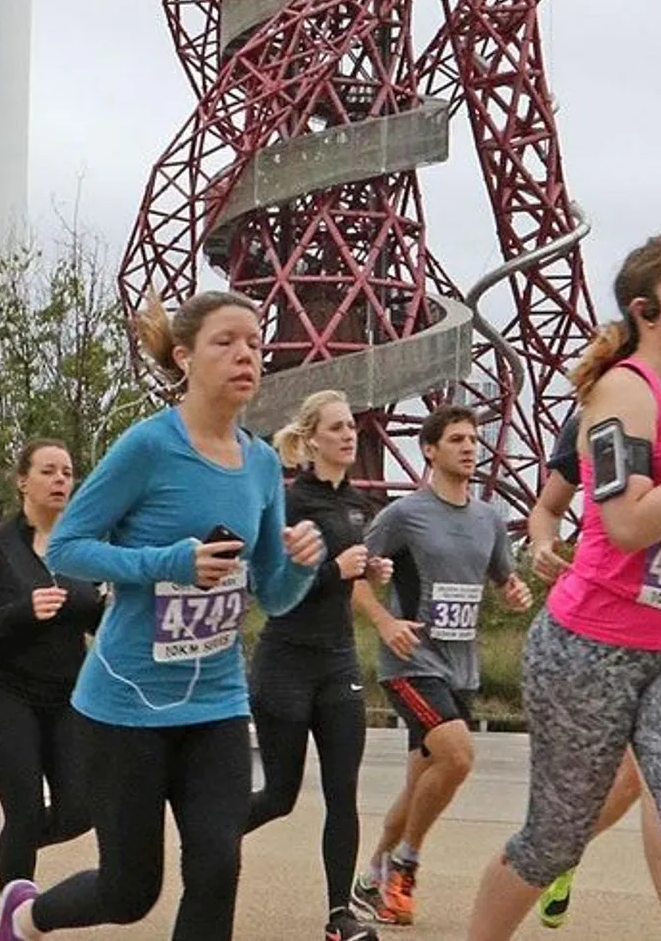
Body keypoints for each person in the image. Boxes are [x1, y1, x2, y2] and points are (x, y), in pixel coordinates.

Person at [0, 290, 327, 941]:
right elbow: (68, 547)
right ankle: (25, 916)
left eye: (254, 343)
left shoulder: (260, 463)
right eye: (225, 341)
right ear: (185, 356)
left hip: (218, 704)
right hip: (127, 706)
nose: (244, 355)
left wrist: (304, 563)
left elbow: (276, 596)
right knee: (130, 890)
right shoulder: (147, 447)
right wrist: (169, 563)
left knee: (218, 864)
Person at [463, 234, 661, 941]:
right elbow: (627, 522)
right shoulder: (619, 391)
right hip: (589, 647)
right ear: (645, 310)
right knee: (554, 841)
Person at [349, 405, 532, 927]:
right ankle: (406, 864)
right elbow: (356, 574)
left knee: (421, 782)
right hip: (410, 662)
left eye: (474, 439)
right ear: (429, 450)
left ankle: (371, 877)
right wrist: (385, 623)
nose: (470, 447)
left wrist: (514, 591)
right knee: (458, 756)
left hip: (461, 667)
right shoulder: (404, 514)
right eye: (457, 439)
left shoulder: (489, 519)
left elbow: (503, 579)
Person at [524, 412, 661, 931]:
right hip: (599, 614)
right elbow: (547, 508)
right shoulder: (594, 413)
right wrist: (543, 545)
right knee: (602, 782)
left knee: (654, 779)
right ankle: (556, 854)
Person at [249, 390, 391, 941]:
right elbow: (275, 592)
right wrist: (335, 570)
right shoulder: (291, 504)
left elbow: (347, 572)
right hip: (286, 659)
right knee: (280, 795)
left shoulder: (357, 505)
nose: (348, 435)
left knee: (343, 792)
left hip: (337, 662)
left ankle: (340, 916)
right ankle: (211, 837)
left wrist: (369, 569)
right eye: (335, 428)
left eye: (351, 426)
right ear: (310, 440)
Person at [0, 439, 102, 888]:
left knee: (81, 809)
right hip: (3, 692)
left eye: (67, 472)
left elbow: (97, 618)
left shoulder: (82, 547)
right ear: (23, 481)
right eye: (48, 471)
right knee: (23, 812)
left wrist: (110, 608)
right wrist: (21, 612)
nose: (60, 480)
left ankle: (16, 846)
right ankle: (13, 920)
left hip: (67, 697)